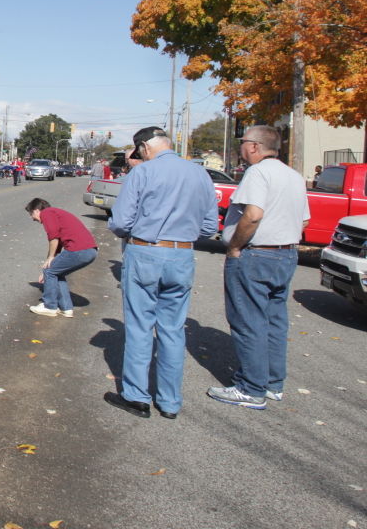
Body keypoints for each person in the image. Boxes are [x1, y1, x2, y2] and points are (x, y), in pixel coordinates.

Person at [106, 126, 218, 419]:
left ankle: (136, 396)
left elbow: (120, 222)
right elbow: (209, 227)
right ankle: (169, 402)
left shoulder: (142, 173)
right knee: (172, 329)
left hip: (146, 251)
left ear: (143, 148)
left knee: (140, 326)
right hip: (182, 253)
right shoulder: (199, 174)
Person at [207, 125, 310, 410]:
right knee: (274, 321)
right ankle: (272, 384)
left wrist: (236, 246)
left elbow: (253, 215)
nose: (241, 147)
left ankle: (251, 388)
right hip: (285, 255)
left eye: (242, 143)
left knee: (248, 321)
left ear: (253, 146)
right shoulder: (293, 176)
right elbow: (304, 221)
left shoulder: (258, 172)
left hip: (256, 256)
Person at [25, 197, 97, 318]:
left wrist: (50, 261)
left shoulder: (47, 213)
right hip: (89, 251)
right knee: (56, 272)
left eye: (31, 214)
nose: (32, 218)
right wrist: (50, 262)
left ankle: (49, 306)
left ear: (37, 210)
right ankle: (66, 308)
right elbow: (58, 243)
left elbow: (54, 237)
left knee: (50, 270)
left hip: (79, 250)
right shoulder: (55, 213)